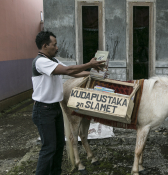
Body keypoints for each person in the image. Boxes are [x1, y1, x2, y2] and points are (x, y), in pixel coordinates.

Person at [31, 31, 105, 175]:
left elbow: (73, 73)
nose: (57, 48)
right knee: (48, 148)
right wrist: (89, 64)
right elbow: (68, 69)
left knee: (58, 146)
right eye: (54, 45)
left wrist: (93, 73)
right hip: (43, 111)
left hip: (55, 109)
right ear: (45, 45)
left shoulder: (53, 61)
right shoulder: (40, 61)